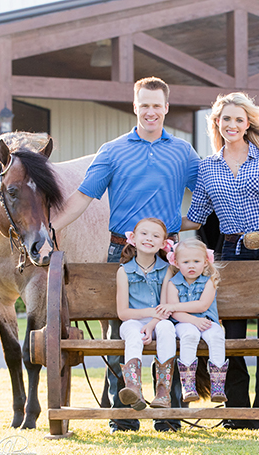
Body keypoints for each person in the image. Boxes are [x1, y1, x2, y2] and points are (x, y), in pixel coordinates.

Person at [53, 76, 199, 433]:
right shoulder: (112, 150)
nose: (151, 111)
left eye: (157, 105)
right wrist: (50, 228)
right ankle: (124, 416)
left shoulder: (183, 152)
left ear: (166, 107)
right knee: (121, 331)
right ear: (135, 106)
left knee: (172, 326)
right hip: (122, 250)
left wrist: (190, 224)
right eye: (144, 104)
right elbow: (83, 197)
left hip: (169, 253)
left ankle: (169, 415)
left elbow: (210, 192)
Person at [181, 92, 259, 430]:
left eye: (238, 119)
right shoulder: (207, 167)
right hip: (231, 254)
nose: (232, 125)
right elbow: (197, 215)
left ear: (248, 124)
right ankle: (236, 412)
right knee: (229, 339)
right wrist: (158, 225)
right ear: (217, 123)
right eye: (225, 119)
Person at [116, 218, 176, 411]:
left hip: (160, 321)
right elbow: (123, 312)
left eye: (156, 236)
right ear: (133, 238)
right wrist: (150, 313)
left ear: (163, 243)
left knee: (167, 328)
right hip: (132, 322)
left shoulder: (167, 270)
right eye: (144, 233)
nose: (149, 238)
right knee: (132, 334)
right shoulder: (124, 271)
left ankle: (163, 392)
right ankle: (133, 389)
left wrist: (151, 323)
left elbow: (166, 307)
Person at [158, 238, 228, 403]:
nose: (191, 265)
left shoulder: (210, 281)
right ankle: (188, 385)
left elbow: (202, 305)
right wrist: (192, 321)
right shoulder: (172, 284)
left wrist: (175, 307)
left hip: (207, 322)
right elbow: (174, 313)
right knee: (189, 336)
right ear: (176, 263)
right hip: (183, 323)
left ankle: (218, 384)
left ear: (205, 262)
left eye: (196, 261)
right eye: (186, 261)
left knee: (217, 336)